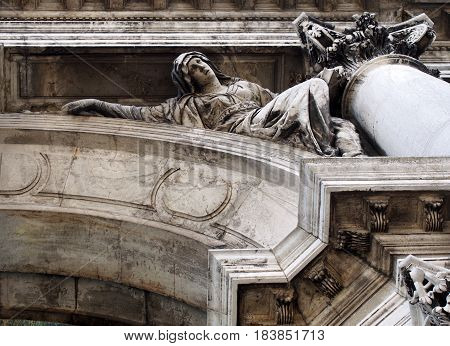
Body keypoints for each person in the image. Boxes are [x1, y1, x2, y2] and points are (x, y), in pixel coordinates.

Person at [62, 51, 364, 157]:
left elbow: (280, 102)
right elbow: (137, 114)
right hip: (240, 129)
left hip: (263, 118)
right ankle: (325, 151)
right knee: (311, 89)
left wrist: (329, 84)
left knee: (331, 112)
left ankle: (330, 151)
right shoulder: (186, 106)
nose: (201, 68)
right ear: (188, 79)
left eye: (201, 62)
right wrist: (97, 104)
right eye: (193, 67)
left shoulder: (246, 86)